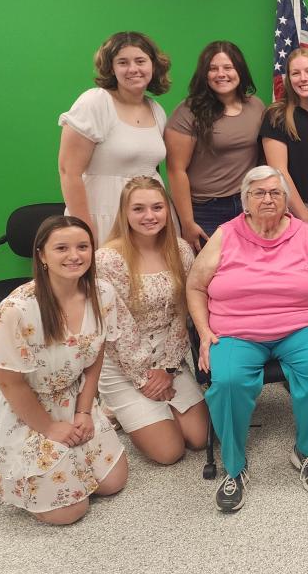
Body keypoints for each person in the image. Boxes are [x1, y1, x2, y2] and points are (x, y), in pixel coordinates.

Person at [187, 166, 308, 511]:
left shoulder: (303, 233)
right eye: (259, 193)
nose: (268, 199)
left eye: (275, 192)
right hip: (236, 330)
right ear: (245, 201)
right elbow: (195, 286)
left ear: (286, 200)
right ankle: (235, 468)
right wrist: (203, 332)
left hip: (298, 327)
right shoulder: (226, 235)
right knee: (226, 380)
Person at [0, 216, 128, 525]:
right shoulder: (16, 309)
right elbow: (8, 383)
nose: (74, 256)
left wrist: (84, 411)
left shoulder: (102, 293)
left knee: (113, 484)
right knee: (69, 512)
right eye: (62, 248)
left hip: (72, 397)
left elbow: (96, 355)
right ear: (41, 255)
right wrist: (51, 428)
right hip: (27, 406)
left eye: (83, 247)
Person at [96, 176, 209, 464]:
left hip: (168, 356)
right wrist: (144, 377)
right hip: (124, 363)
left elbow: (183, 312)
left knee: (200, 438)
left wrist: (168, 369)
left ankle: (156, 409)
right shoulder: (107, 259)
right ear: (125, 212)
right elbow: (117, 329)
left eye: (157, 207)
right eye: (139, 209)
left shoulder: (180, 250)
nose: (149, 216)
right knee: (169, 453)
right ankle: (109, 409)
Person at [59, 31, 172, 244]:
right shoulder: (95, 102)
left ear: (153, 66)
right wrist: (83, 228)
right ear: (111, 68)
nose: (133, 69)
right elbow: (68, 172)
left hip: (148, 219)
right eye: (123, 62)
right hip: (103, 217)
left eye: (140, 61)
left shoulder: (156, 109)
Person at [166, 41, 265, 251]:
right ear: (204, 74)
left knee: (245, 272)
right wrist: (187, 222)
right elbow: (176, 170)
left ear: (240, 70)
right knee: (208, 277)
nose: (221, 74)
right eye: (213, 69)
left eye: (228, 67)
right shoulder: (188, 111)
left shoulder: (256, 106)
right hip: (205, 209)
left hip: (247, 205)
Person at [261, 48, 308, 247]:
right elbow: (280, 173)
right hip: (292, 211)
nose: (303, 78)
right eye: (296, 73)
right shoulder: (276, 116)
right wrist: (306, 221)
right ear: (289, 80)